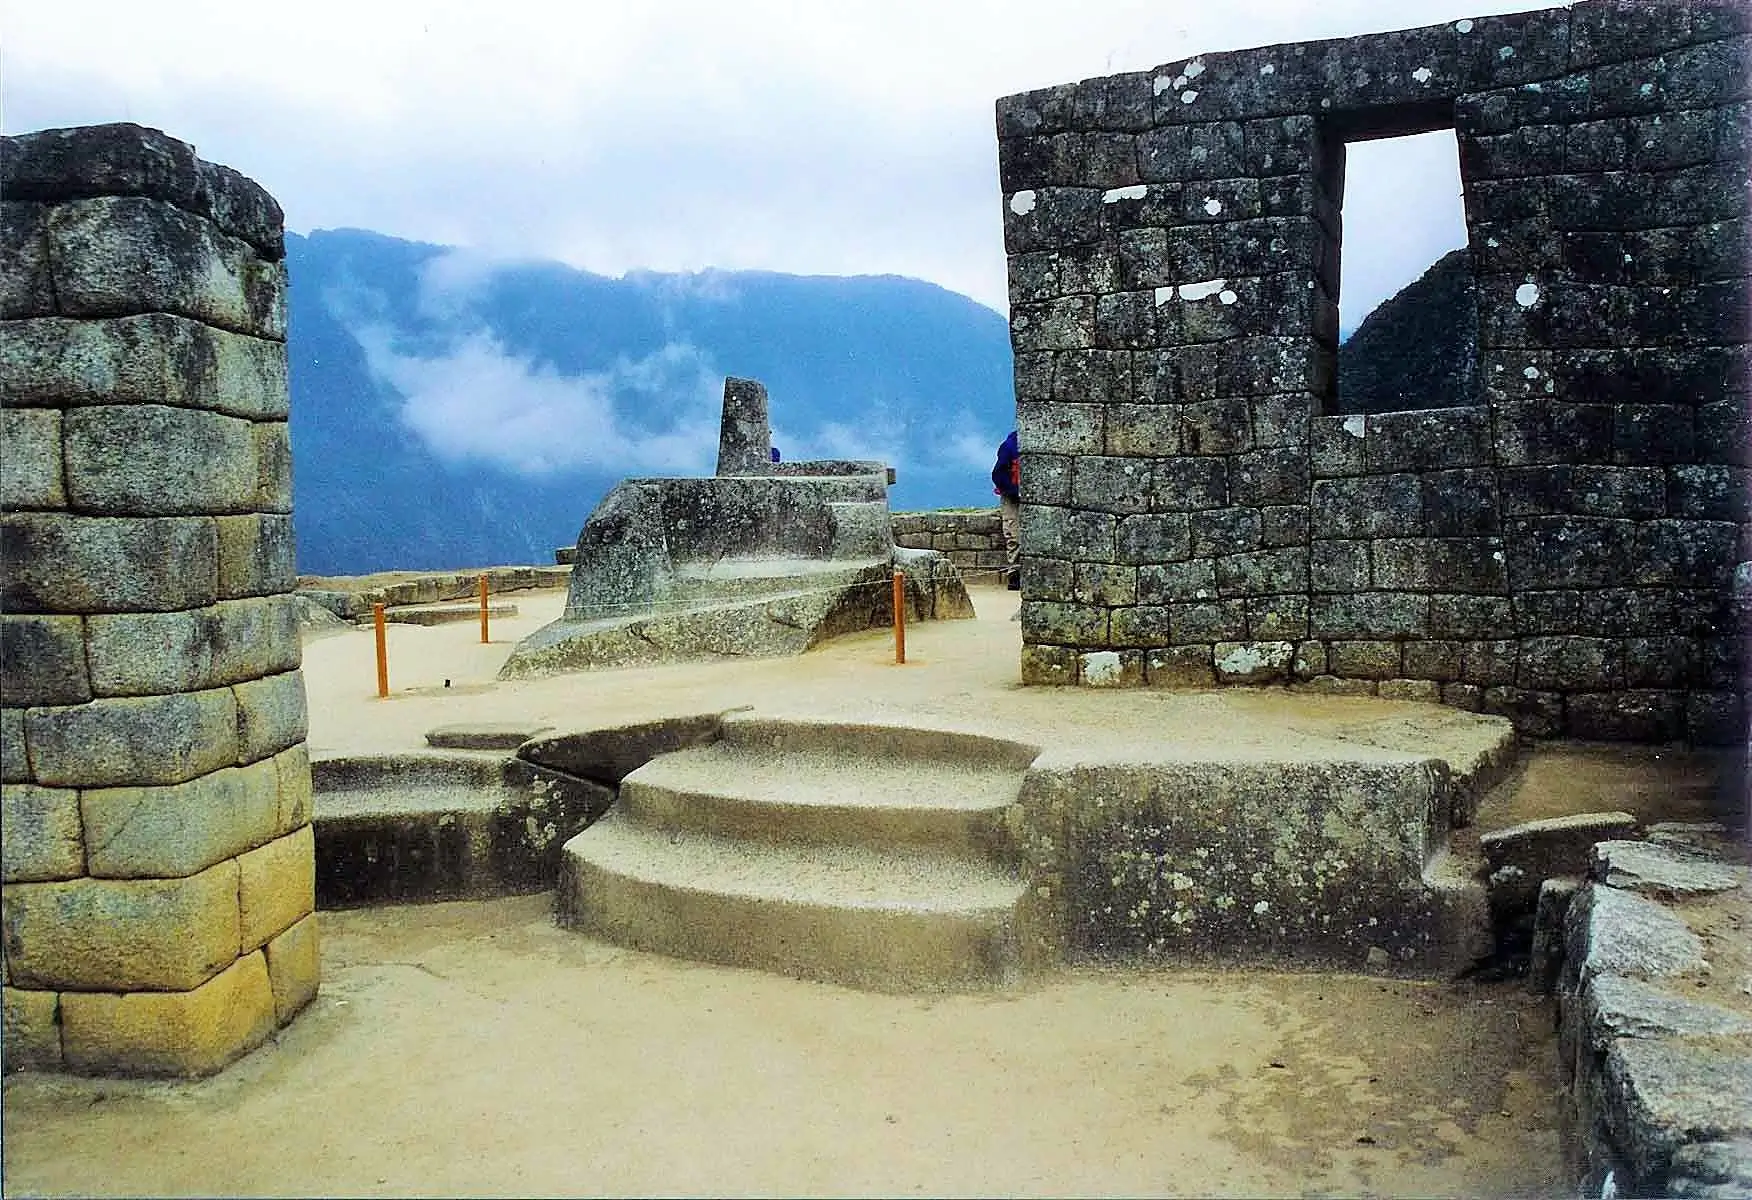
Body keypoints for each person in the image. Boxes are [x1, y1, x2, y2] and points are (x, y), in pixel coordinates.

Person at [991, 430, 1020, 590]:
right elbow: (998, 474)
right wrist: (1014, 490)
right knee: (1014, 533)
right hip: (1012, 496)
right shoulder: (1010, 446)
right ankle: (1015, 573)